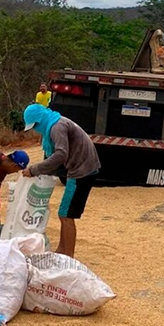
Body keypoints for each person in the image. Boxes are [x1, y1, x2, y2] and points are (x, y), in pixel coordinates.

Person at [21, 104, 100, 257]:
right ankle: (62, 251)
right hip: (82, 168)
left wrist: (34, 170)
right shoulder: (56, 122)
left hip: (82, 171)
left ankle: (68, 256)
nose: (36, 129)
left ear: (39, 120)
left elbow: (60, 155)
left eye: (36, 125)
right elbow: (57, 160)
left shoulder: (57, 127)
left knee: (66, 215)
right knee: (64, 214)